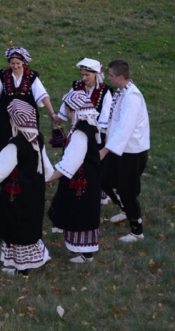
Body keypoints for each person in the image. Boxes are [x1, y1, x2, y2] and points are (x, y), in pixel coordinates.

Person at [0, 99, 54, 278]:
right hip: (35, 193)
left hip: (18, 195)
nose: (9, 120)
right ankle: (39, 257)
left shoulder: (15, 145)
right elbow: (44, 164)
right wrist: (46, 179)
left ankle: (22, 270)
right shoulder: (37, 137)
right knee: (30, 225)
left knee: (18, 228)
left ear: (16, 121)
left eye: (10, 118)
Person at [0, 46, 58, 154]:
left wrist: (52, 113)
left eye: (18, 63)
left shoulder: (31, 76)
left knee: (28, 146)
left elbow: (42, 95)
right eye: (12, 63)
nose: (15, 66)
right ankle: (7, 170)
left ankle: (27, 169)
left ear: (23, 62)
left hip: (27, 119)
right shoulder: (4, 76)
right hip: (6, 118)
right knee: (6, 144)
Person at [47, 90, 101, 263]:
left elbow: (71, 162)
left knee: (80, 213)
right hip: (83, 177)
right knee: (77, 211)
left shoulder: (80, 133)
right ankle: (81, 250)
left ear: (76, 111)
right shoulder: (84, 127)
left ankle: (86, 254)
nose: (67, 114)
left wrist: (48, 178)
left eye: (69, 110)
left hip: (82, 181)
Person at [100, 59, 150, 242]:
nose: (108, 78)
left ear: (121, 77)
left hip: (132, 152)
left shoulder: (133, 98)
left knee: (127, 190)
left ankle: (137, 231)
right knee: (105, 180)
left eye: (111, 76)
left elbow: (125, 129)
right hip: (118, 149)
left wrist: (104, 151)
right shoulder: (121, 92)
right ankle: (125, 210)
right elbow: (115, 122)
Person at [56, 58, 114, 206]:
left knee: (94, 161)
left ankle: (98, 190)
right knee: (77, 156)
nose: (84, 78)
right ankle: (76, 184)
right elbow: (67, 103)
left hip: (96, 131)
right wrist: (60, 117)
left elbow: (106, 111)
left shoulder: (105, 91)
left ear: (96, 74)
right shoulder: (77, 86)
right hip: (78, 129)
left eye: (87, 75)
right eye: (82, 74)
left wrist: (98, 131)